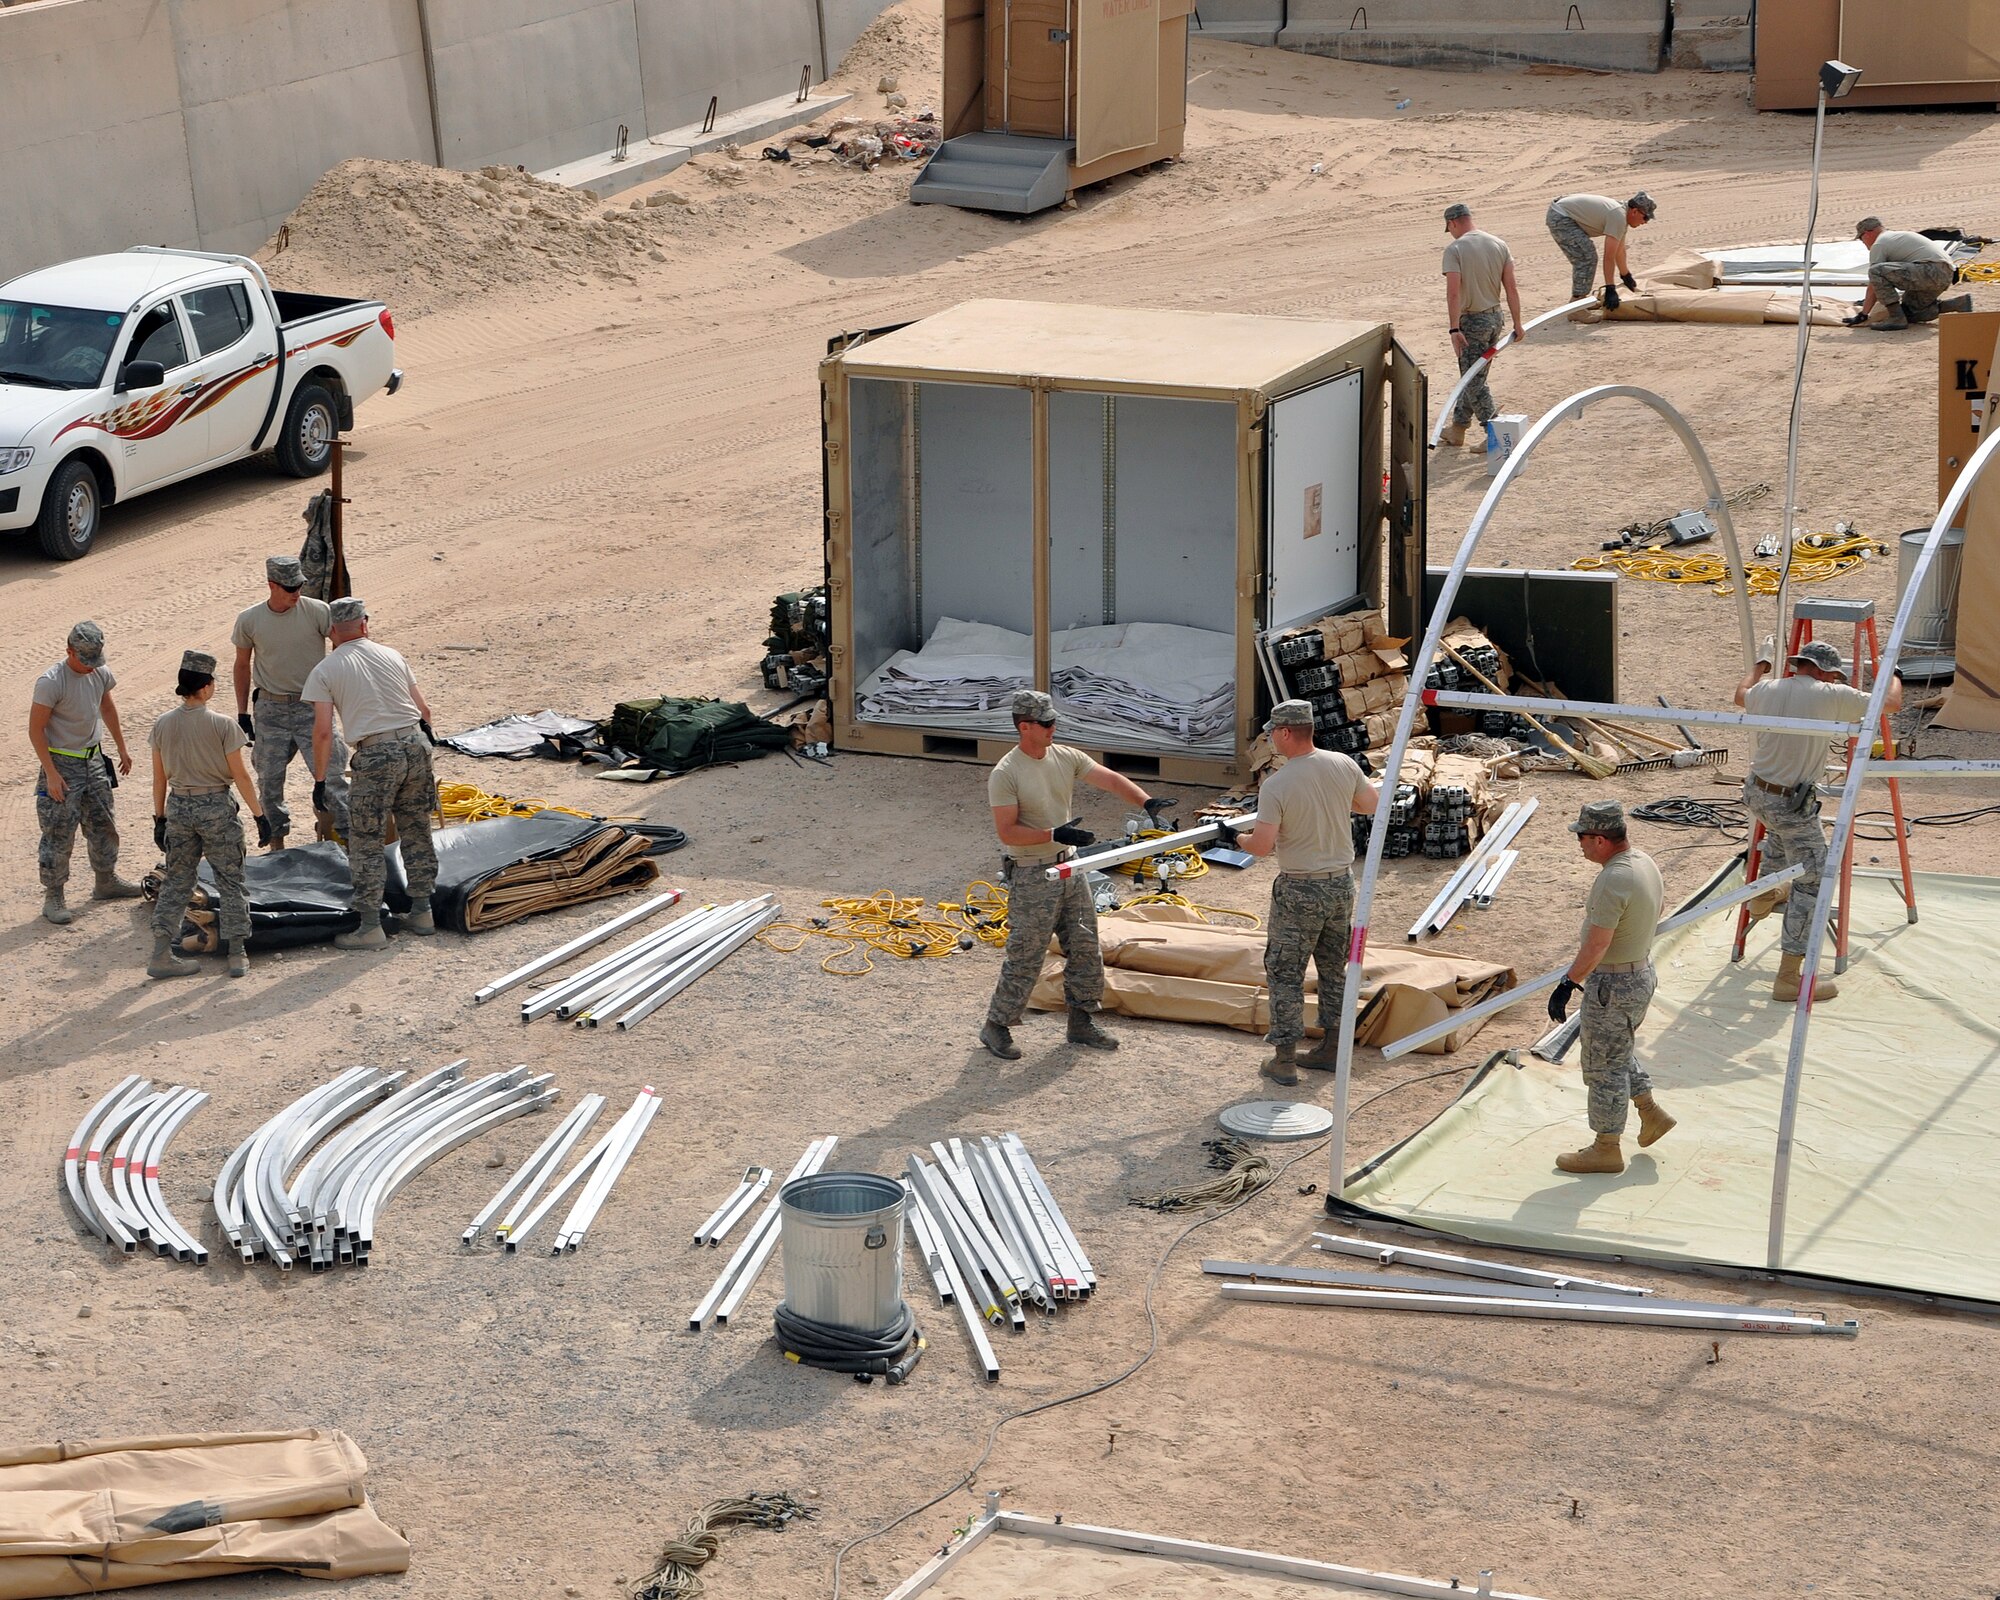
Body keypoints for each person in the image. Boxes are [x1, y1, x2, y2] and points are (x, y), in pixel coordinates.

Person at [980, 689, 1168, 1060]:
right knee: (1026, 954)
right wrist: (1052, 835)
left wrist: (1146, 801)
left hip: (1070, 867)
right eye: (1047, 723)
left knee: (1084, 946)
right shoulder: (1006, 774)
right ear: (1025, 727)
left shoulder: (1065, 756)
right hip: (1034, 874)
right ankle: (997, 1025)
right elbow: (1007, 832)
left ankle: (1081, 1021)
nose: (1054, 727)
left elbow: (1110, 779)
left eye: (1054, 721)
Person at [1732, 637, 1900, 1001]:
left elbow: (1740, 692)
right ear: (1825, 671)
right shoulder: (1830, 694)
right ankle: (1789, 978)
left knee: (1777, 837)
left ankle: (1761, 897)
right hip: (1789, 803)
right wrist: (1893, 672)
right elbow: (1891, 703)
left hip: (1757, 793)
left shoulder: (1768, 688)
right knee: (1814, 882)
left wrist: (1761, 665)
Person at [1222, 700, 1379, 1086]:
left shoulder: (1278, 783)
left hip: (1299, 889)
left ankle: (1285, 1059)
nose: (1270, 738)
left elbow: (1261, 846)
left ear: (1286, 732)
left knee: (1286, 972)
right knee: (1334, 969)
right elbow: (1371, 805)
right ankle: (1332, 1048)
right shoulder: (1342, 763)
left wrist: (1235, 836)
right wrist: (1329, 808)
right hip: (1340, 885)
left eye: (1273, 731)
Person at [1545, 800, 1674, 1175]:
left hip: (1613, 983)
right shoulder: (1642, 862)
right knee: (1616, 1050)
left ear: (1600, 839)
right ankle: (1651, 1113)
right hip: (1639, 975)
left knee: (1603, 1067)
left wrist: (1570, 981)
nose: (1579, 844)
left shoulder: (1613, 879)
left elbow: (1598, 944)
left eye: (1582, 838)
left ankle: (1606, 1147)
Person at [303, 598, 440, 951]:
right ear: (364, 624)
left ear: (332, 631)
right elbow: (423, 710)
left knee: (366, 838)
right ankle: (423, 911)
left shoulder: (326, 669)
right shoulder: (392, 655)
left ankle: (369, 925)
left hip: (376, 754)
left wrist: (321, 780)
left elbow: (322, 732)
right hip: (414, 743)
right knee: (416, 828)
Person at [148, 650, 271, 980]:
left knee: (177, 882)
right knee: (231, 880)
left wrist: (159, 818)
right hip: (215, 807)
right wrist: (260, 816)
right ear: (205, 687)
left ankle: (161, 952)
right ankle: (236, 953)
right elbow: (242, 777)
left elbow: (159, 778)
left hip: (178, 807)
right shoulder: (223, 725)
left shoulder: (162, 725)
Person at [232, 554, 349, 848]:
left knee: (333, 780)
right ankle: (276, 846)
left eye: (300, 586)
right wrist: (242, 712)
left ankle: (351, 841)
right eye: (290, 588)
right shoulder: (250, 620)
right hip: (271, 710)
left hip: (312, 707)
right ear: (272, 585)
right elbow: (242, 665)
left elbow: (343, 646)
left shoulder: (317, 611)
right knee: (269, 784)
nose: (297, 593)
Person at [29, 620, 141, 925]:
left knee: (104, 823)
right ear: (69, 650)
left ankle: (105, 881)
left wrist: (121, 747)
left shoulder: (100, 673)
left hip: (93, 760)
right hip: (62, 763)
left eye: (95, 660)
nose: (91, 667)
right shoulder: (51, 681)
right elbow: (36, 729)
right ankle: (54, 896)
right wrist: (51, 773)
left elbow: (107, 708)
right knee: (58, 832)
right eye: (84, 659)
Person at [1439, 202, 1525, 448]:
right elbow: (1511, 288)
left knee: (1472, 379)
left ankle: (1495, 435)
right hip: (1495, 318)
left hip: (1472, 321)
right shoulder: (1498, 244)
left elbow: (1453, 294)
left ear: (1452, 223)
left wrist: (1454, 328)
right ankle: (1458, 429)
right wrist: (1518, 323)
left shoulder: (1455, 249)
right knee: (1474, 374)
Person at [1846, 218, 1970, 331]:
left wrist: (1863, 314)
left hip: (1931, 271)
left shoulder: (1880, 244)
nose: (1863, 242)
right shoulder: (1894, 237)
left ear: (1868, 233)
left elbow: (1874, 281)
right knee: (1909, 312)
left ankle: (1896, 318)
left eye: (1862, 239)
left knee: (1875, 271)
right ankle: (1957, 303)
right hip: (1943, 275)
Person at [1545, 192, 1656, 309]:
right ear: (1634, 211)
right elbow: (1609, 256)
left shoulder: (1622, 215)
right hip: (1561, 217)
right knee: (1586, 258)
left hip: (1561, 211)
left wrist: (1626, 275)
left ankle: (1580, 302)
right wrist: (1610, 288)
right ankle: (1576, 308)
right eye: (1646, 217)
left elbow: (1619, 251)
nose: (1645, 222)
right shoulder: (1619, 217)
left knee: (1587, 255)